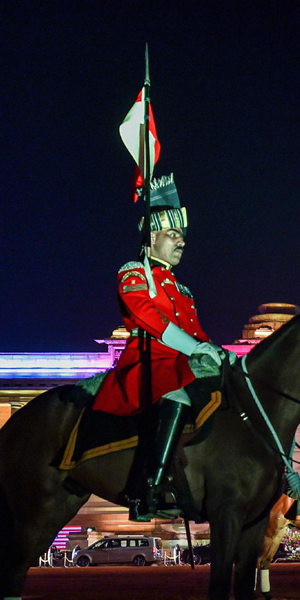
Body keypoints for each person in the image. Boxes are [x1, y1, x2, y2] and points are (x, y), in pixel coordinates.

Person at [94, 175, 226, 521]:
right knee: (177, 395)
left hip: (183, 363)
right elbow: (146, 315)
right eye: (173, 234)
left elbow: (197, 332)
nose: (181, 241)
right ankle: (150, 486)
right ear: (151, 237)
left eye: (182, 235)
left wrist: (219, 353)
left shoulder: (183, 290)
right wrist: (195, 348)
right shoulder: (134, 273)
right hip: (147, 361)